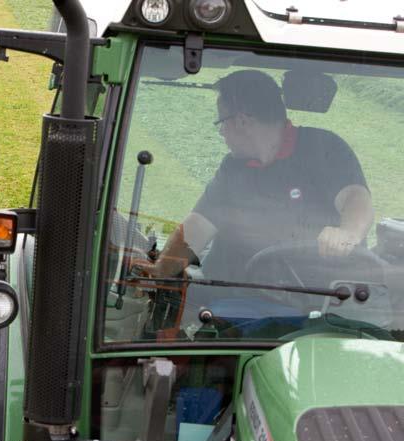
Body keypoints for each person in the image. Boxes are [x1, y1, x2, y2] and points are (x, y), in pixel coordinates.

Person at [150, 70, 374, 283]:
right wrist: (159, 272)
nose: (221, 132)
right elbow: (196, 227)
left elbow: (356, 199)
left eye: (221, 123)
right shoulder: (234, 168)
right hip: (226, 300)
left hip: (307, 299)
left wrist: (348, 234)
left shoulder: (323, 149)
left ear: (242, 121)